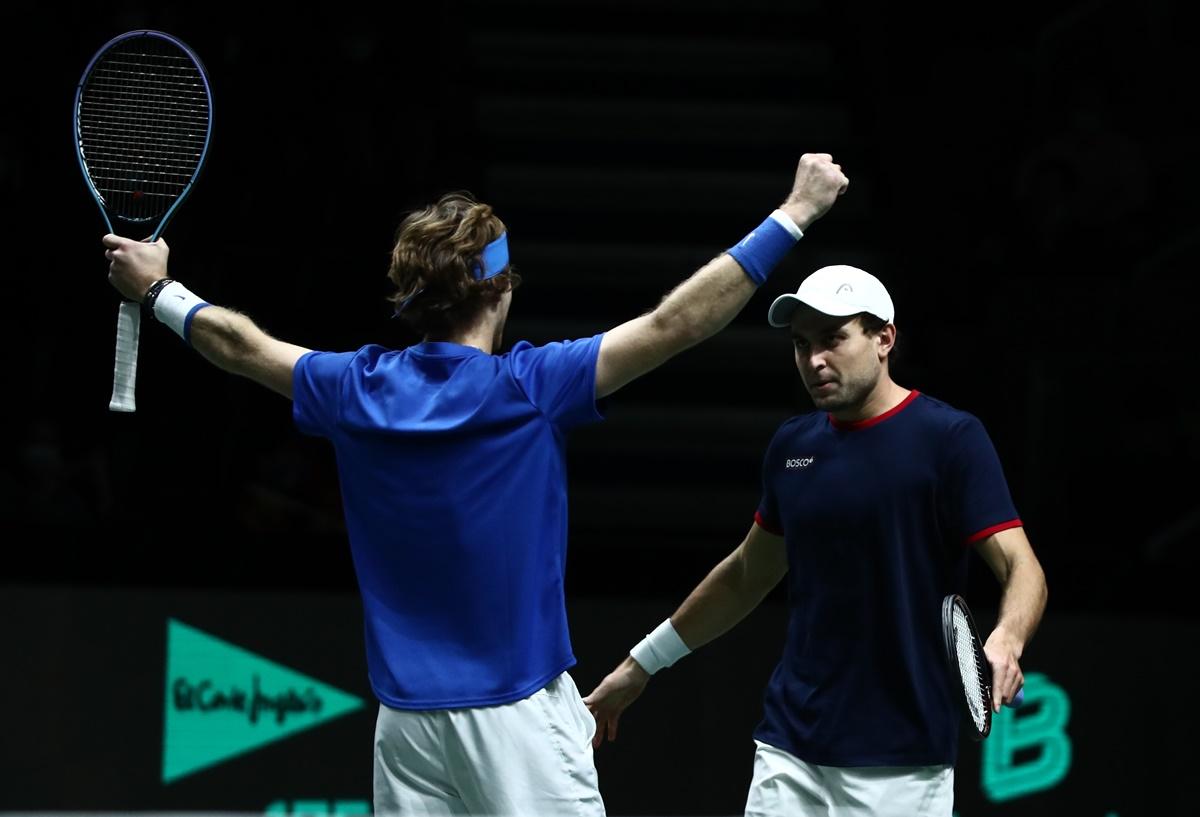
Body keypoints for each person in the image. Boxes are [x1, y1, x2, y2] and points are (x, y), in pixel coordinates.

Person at [102, 153, 849, 817]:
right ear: (501, 290)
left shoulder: (351, 389)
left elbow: (237, 344)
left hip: (405, 727)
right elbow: (678, 322)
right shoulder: (529, 385)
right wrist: (794, 214)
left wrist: (158, 286)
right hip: (516, 717)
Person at [584, 264, 1049, 817]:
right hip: (790, 746)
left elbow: (1022, 567)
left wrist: (1008, 639)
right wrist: (640, 666)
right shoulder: (792, 447)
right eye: (802, 345)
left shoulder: (949, 439)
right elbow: (744, 576)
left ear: (884, 339)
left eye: (833, 339)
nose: (814, 361)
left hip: (901, 760)